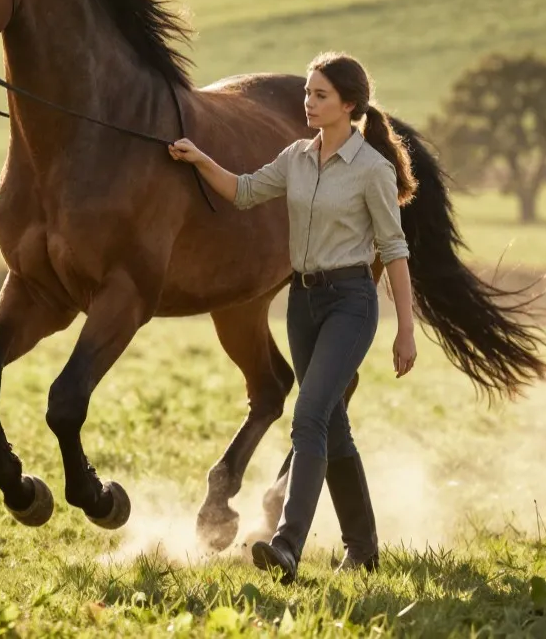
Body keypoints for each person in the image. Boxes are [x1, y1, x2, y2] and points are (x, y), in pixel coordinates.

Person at [168, 51, 418, 584]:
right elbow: (244, 190)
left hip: (351, 303)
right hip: (302, 305)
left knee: (308, 419)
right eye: (307, 92)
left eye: (320, 94)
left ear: (349, 105)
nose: (308, 102)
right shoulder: (298, 157)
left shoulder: (372, 170)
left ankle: (286, 543)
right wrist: (198, 160)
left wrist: (406, 330)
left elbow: (394, 250)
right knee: (334, 427)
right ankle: (364, 547)